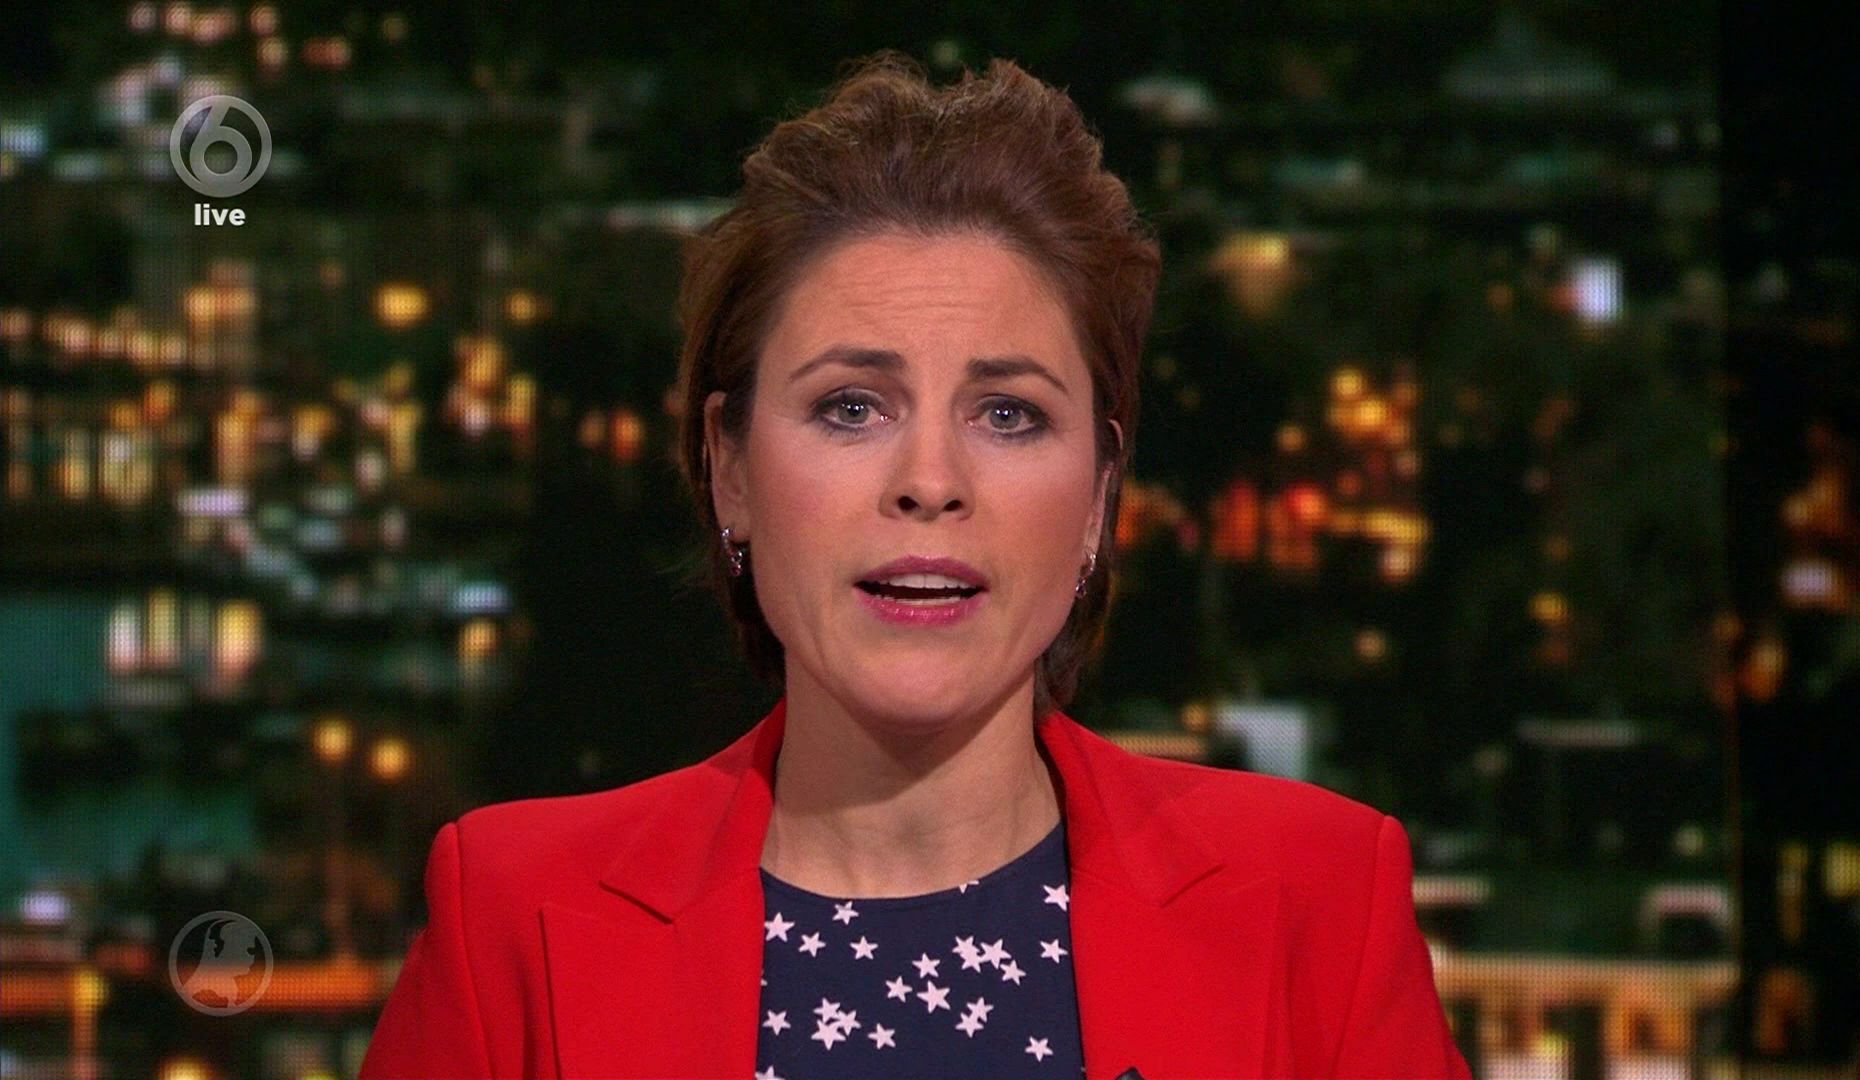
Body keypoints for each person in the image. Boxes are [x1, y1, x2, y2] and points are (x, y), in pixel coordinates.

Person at [359, 50, 1471, 1080]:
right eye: (851, 407)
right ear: (729, 469)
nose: (930, 480)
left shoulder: (1317, 907)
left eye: (1008, 413)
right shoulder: (510, 919)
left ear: (1098, 492)